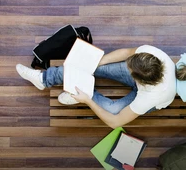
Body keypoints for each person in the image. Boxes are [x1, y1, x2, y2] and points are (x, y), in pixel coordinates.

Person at [16, 45, 176, 128]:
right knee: (89, 66)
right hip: (148, 81)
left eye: (129, 69)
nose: (126, 66)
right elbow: (127, 52)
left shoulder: (149, 98)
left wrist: (88, 101)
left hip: (152, 99)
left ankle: (82, 95)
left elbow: (116, 122)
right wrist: (98, 62)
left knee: (113, 110)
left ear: (137, 78)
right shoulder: (151, 55)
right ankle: (44, 79)